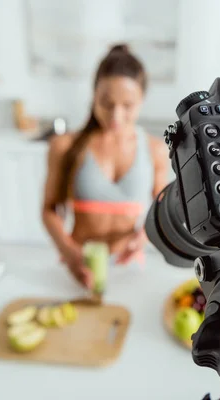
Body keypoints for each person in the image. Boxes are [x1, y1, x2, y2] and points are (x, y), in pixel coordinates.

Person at [41, 44, 169, 288]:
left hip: (129, 267)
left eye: (127, 105)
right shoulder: (65, 146)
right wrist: (68, 252)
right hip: (78, 264)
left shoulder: (155, 149)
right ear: (94, 96)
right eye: (106, 103)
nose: (116, 116)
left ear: (142, 100)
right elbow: (48, 209)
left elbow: (162, 210)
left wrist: (144, 237)